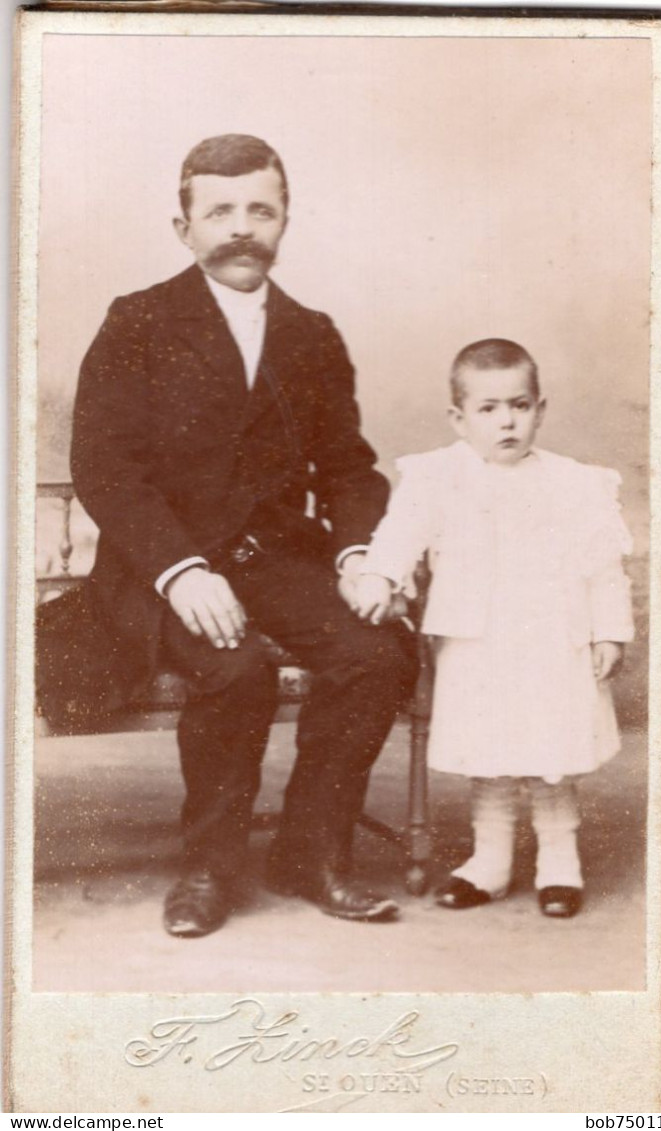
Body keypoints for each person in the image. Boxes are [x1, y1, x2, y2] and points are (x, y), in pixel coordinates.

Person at [39, 134, 417, 937]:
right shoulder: (138, 319)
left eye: (260, 209)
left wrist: (356, 554)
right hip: (160, 565)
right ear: (184, 227)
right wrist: (180, 569)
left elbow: (349, 467)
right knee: (234, 670)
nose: (241, 228)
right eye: (219, 211)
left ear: (285, 221)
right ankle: (210, 866)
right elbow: (104, 466)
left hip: (276, 558)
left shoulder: (311, 333)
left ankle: (310, 851)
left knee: (375, 653)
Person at [354, 338, 634, 918]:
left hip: (554, 639)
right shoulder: (436, 477)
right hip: (478, 641)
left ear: (540, 408)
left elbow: (603, 564)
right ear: (459, 418)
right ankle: (490, 861)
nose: (507, 421)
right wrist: (380, 577)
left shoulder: (575, 483)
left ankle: (560, 861)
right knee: (492, 753)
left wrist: (609, 630)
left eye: (520, 405)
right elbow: (400, 534)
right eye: (489, 409)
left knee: (551, 751)